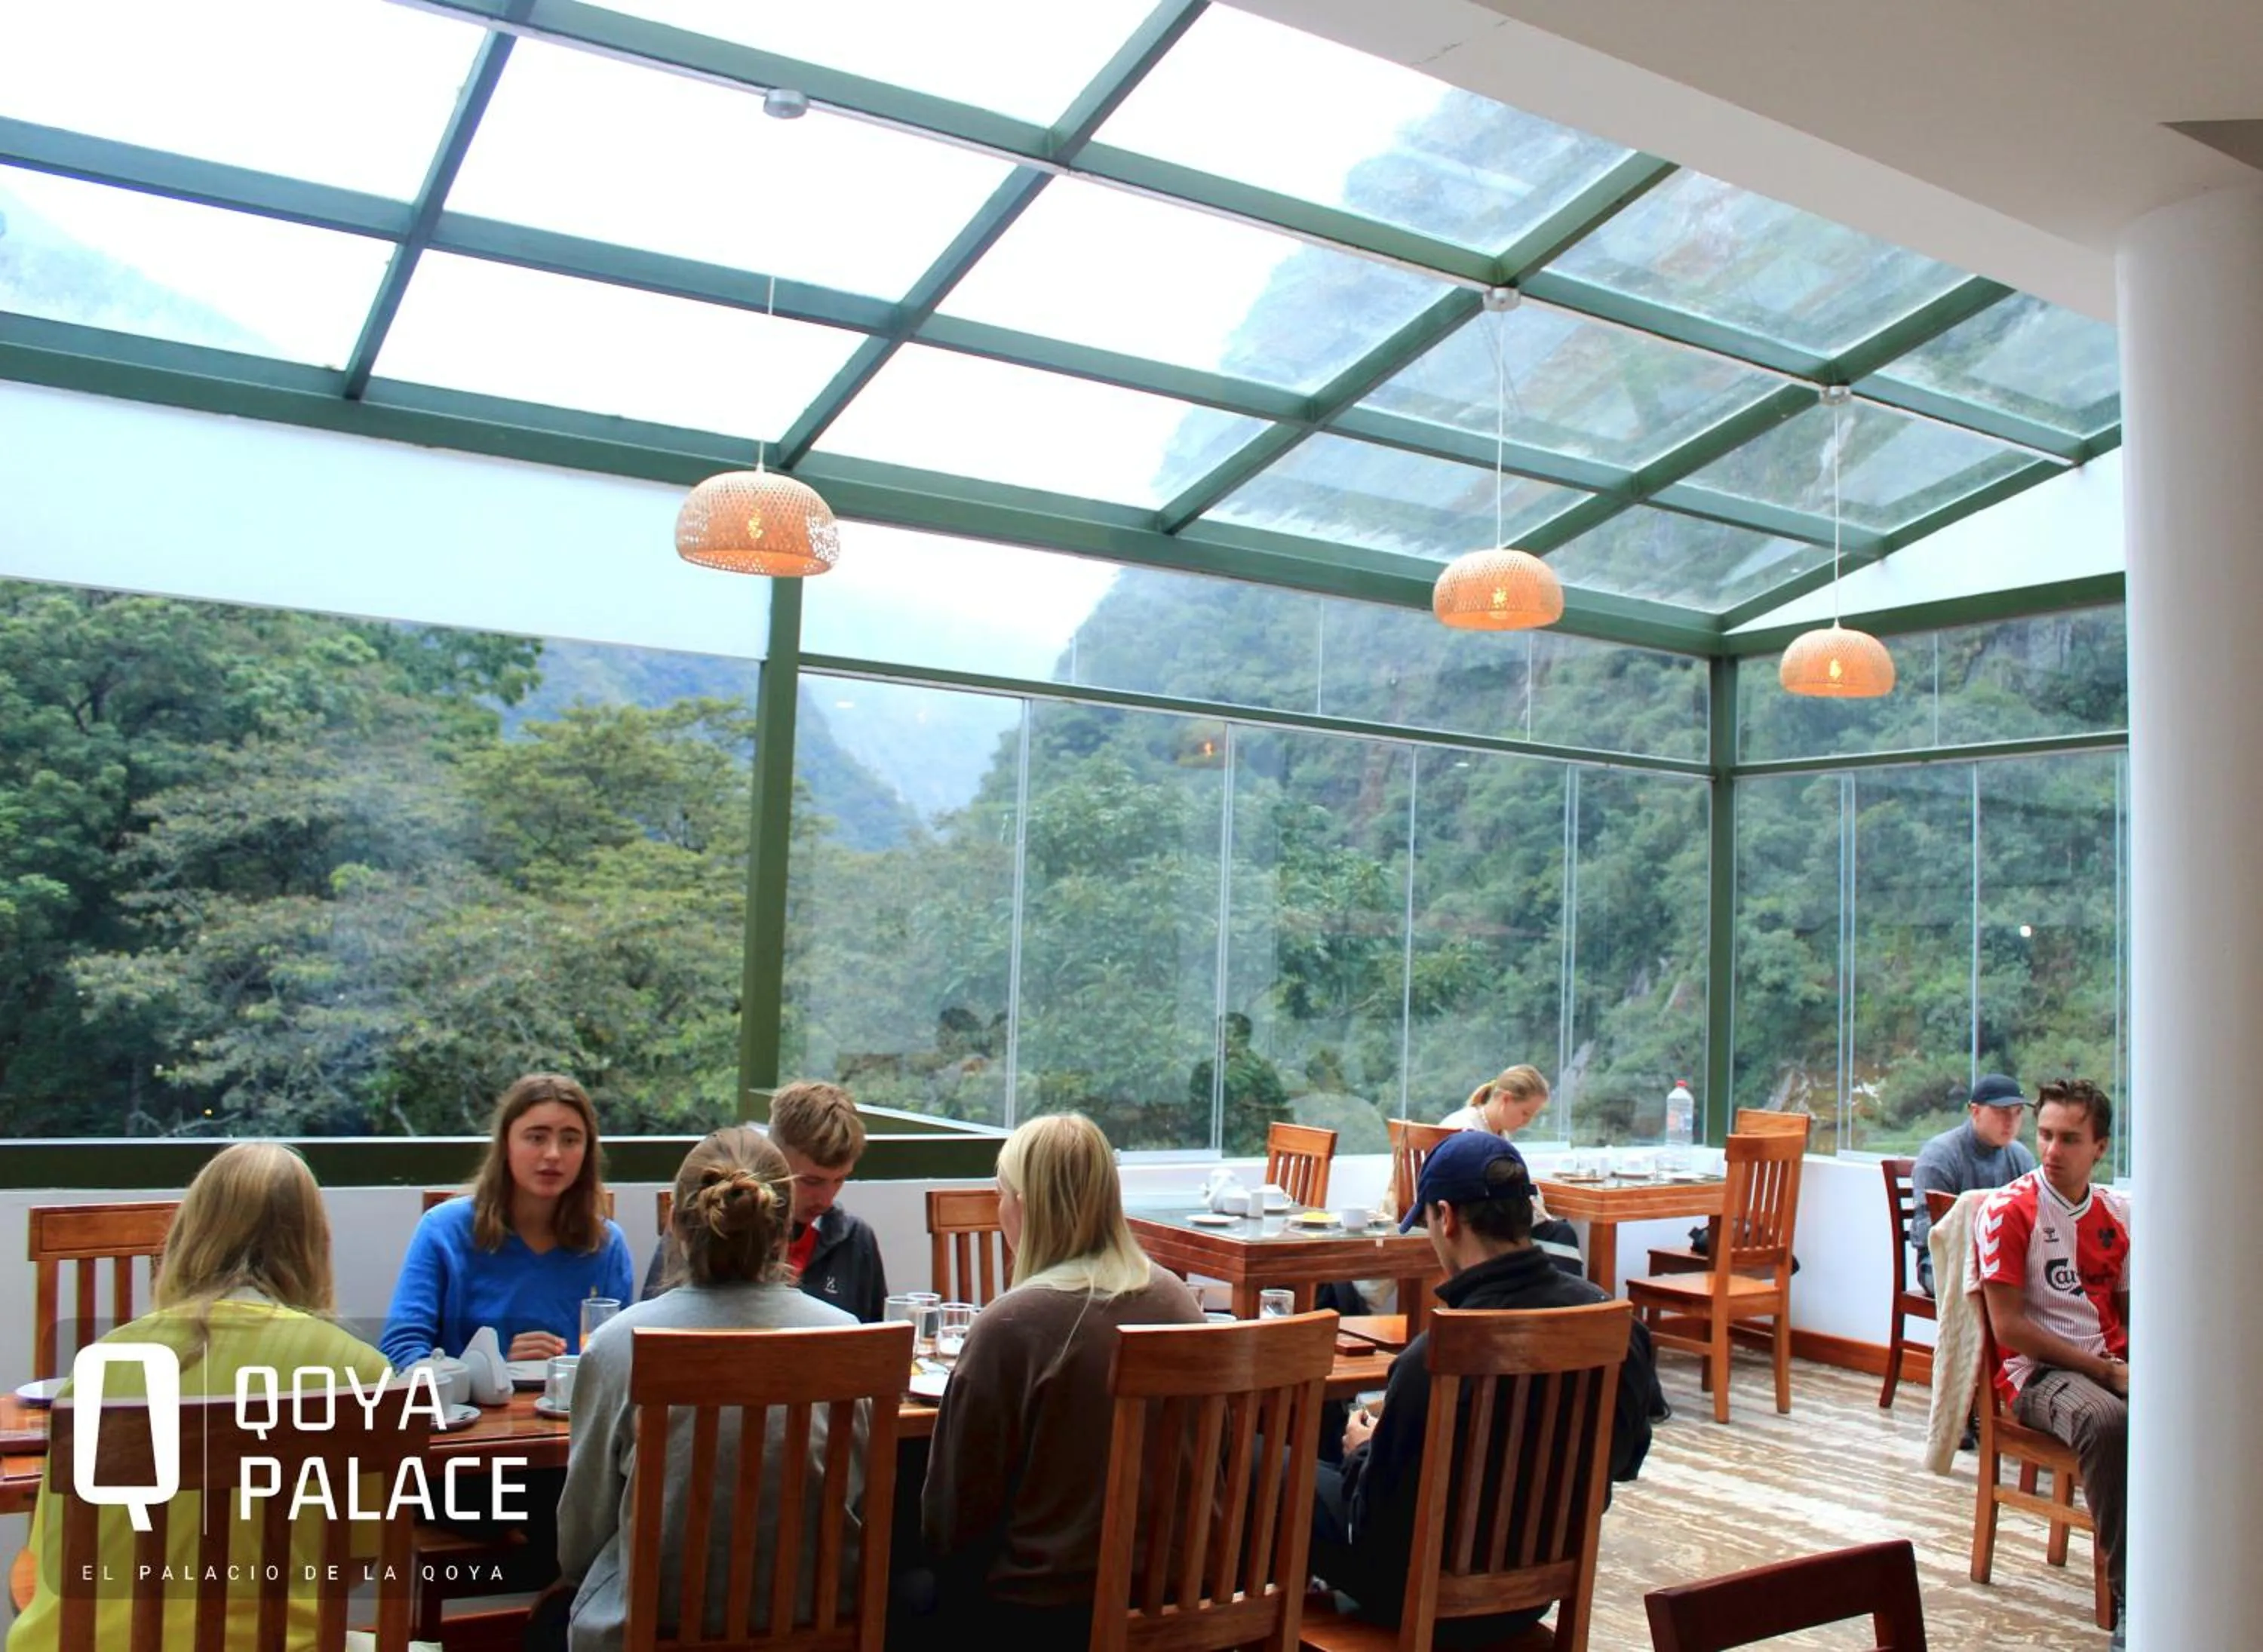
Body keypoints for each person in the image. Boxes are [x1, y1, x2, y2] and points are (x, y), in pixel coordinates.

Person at [8, 1143, 391, 1652]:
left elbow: (54, 1551)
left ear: (188, 1234)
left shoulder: (101, 1363)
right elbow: (356, 1563)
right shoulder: (360, 1374)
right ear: (314, 1244)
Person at [1310, 1131, 1654, 1641]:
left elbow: (1377, 1524)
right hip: (1534, 1596)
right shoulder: (1615, 1325)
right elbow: (1623, 1461)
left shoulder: (1438, 1355)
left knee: (1262, 1465)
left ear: (1446, 1217)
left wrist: (1364, 1450)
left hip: (1418, 1597)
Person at [536, 1126, 863, 1652]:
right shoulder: (846, 1339)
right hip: (812, 1621)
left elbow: (581, 1538)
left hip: (654, 1625)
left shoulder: (619, 1345)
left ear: (674, 1223)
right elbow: (854, 1497)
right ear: (786, 1228)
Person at [917, 1112, 1204, 1649]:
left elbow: (952, 1522)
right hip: (1179, 1599)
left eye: (1000, 1195)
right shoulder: (1179, 1302)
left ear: (1023, 1205)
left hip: (1045, 1615)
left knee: (900, 1590)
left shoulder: (1010, 1325)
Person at [1972, 1078, 2130, 1643]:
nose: (2052, 1150)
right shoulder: (2008, 1210)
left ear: (2100, 1148)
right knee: (2109, 1421)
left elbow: (2131, 1315)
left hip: (2109, 1361)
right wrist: (2106, 1372)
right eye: (2045, 1135)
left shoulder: (2118, 1213)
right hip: (2036, 1373)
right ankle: (2133, 1602)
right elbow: (2008, 1328)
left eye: (2069, 1139)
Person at [380, 1072, 634, 1368]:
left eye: (570, 1140)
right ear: (506, 1144)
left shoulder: (606, 1244)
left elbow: (621, 1362)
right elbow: (400, 1351)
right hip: (468, 1398)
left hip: (571, 1399)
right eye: (536, 1138)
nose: (553, 1154)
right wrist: (496, 1368)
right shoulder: (443, 1230)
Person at [640, 1079, 888, 1321]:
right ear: (774, 1161)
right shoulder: (705, 1227)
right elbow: (652, 1322)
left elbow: (877, 1339)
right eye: (810, 1181)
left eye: (840, 1180)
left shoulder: (855, 1240)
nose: (826, 1199)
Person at [1908, 1072, 2035, 1294]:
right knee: (1998, 1286)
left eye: (2017, 1113)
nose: (2011, 1122)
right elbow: (1926, 1234)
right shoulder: (1940, 1155)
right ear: (1975, 1112)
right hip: (1942, 1262)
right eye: (2002, 1112)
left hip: (2006, 1261)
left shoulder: (2021, 1157)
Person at [1436, 1065, 1578, 1251]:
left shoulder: (1496, 1133)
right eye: (1525, 1113)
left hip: (1483, 1214)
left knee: (1559, 1232)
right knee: (1560, 1235)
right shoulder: (1465, 1128)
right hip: (1469, 1218)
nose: (1526, 1122)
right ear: (1506, 1099)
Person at [1189, 1012, 1291, 1158]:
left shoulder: (1260, 1069)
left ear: (1244, 1038)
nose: (1222, 1039)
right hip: (1212, 1144)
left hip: (1252, 1146)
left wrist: (1251, 1108)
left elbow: (1278, 1108)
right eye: (1218, 1034)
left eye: (1229, 1034)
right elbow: (1195, 1110)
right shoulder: (1205, 1070)